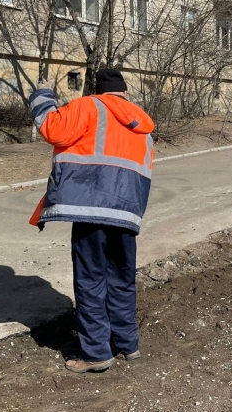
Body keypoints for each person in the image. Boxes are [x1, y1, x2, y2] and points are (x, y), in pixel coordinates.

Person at [29, 69, 155, 373]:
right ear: (125, 93)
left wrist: (42, 95)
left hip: (90, 210)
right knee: (121, 279)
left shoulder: (89, 106)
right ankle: (128, 345)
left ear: (98, 91)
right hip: (126, 215)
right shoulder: (142, 125)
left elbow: (51, 128)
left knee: (91, 280)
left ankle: (97, 353)